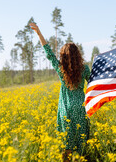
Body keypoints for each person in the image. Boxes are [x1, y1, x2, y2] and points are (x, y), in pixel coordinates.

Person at [30, 23, 90, 162]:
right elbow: (93, 82)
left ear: (63, 56)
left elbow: (48, 52)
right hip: (81, 108)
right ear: (78, 55)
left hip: (66, 109)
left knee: (67, 142)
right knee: (81, 142)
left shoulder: (61, 69)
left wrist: (39, 33)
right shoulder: (84, 69)